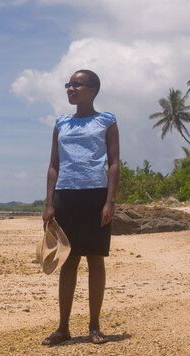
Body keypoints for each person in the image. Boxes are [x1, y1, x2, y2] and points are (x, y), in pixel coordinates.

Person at [41, 69, 120, 345]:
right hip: (66, 195)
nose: (71, 89)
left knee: (95, 259)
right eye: (69, 84)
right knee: (68, 260)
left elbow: (113, 162)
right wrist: (49, 204)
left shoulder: (106, 120)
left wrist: (109, 201)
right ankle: (63, 327)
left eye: (77, 84)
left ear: (93, 90)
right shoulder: (61, 123)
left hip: (96, 196)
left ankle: (95, 326)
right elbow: (54, 165)